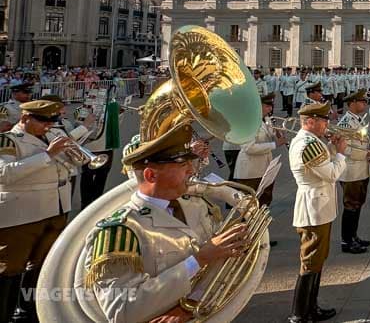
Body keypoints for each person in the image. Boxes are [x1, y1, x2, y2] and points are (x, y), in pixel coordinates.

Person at [75, 121, 250, 323]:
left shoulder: (194, 205)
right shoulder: (118, 231)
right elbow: (123, 310)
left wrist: (189, 306)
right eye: (183, 165)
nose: (192, 171)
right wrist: (198, 259)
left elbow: (217, 266)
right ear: (151, 175)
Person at [0, 100, 75, 322]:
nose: (48, 126)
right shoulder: (9, 140)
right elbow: (5, 174)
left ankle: (29, 310)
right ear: (25, 119)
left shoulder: (51, 137)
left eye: (52, 121)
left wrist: (70, 154)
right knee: (10, 270)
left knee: (43, 266)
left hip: (55, 210)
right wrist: (48, 155)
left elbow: (66, 169)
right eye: (43, 121)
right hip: (23, 215)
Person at [288, 101, 348, 323]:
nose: (327, 124)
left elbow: (321, 167)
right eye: (323, 120)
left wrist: (332, 148)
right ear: (310, 121)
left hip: (319, 205)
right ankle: (300, 314)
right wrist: (340, 154)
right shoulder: (307, 144)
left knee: (317, 259)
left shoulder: (313, 141)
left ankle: (311, 308)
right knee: (310, 261)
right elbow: (331, 173)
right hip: (313, 208)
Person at [233, 94, 285, 210]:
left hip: (266, 168)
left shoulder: (267, 119)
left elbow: (270, 135)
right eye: (267, 106)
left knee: (264, 202)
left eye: (271, 106)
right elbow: (249, 148)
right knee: (249, 206)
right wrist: (274, 144)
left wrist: (278, 133)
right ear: (257, 105)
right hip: (250, 171)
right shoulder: (248, 122)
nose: (270, 109)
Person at [338, 90, 370, 254]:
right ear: (352, 103)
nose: (364, 104)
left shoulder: (358, 120)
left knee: (358, 204)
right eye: (361, 101)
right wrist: (368, 153)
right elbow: (346, 150)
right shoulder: (345, 123)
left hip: (361, 169)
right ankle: (346, 240)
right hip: (351, 172)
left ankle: (354, 235)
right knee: (351, 206)